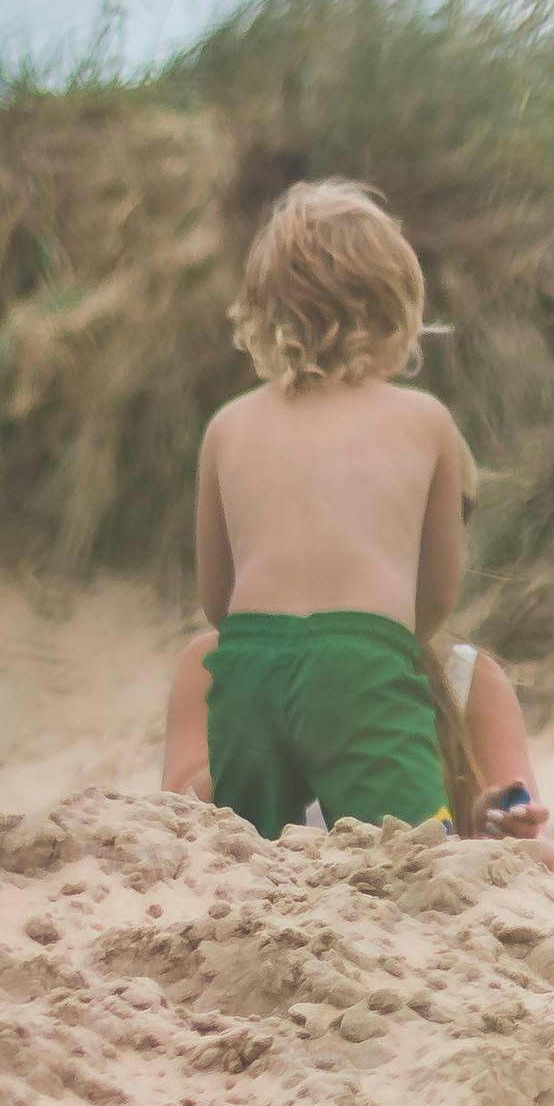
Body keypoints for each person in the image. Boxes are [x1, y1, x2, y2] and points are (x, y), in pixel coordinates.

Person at [170, 180, 477, 837]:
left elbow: (218, 600)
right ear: (400, 310)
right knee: (415, 851)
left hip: (249, 663)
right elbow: (438, 591)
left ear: (258, 317)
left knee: (245, 851)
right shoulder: (425, 420)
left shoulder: (227, 427)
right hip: (363, 662)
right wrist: (381, 643)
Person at [165, 624, 554, 842]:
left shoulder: (467, 680)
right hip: (267, 917)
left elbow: (536, 853)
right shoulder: (214, 664)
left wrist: (490, 828)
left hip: (417, 924)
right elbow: (175, 822)